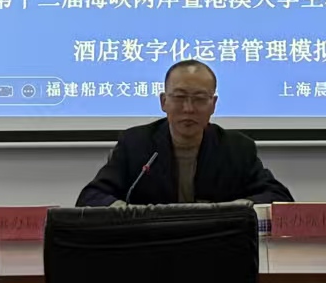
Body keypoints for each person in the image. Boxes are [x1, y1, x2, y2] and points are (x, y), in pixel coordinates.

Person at [76, 60, 293, 206]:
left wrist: (238, 208)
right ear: (164, 101)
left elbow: (279, 197)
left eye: (199, 99)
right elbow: (91, 197)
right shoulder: (135, 144)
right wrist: (126, 213)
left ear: (213, 104)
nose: (188, 108)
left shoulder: (236, 148)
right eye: (179, 97)